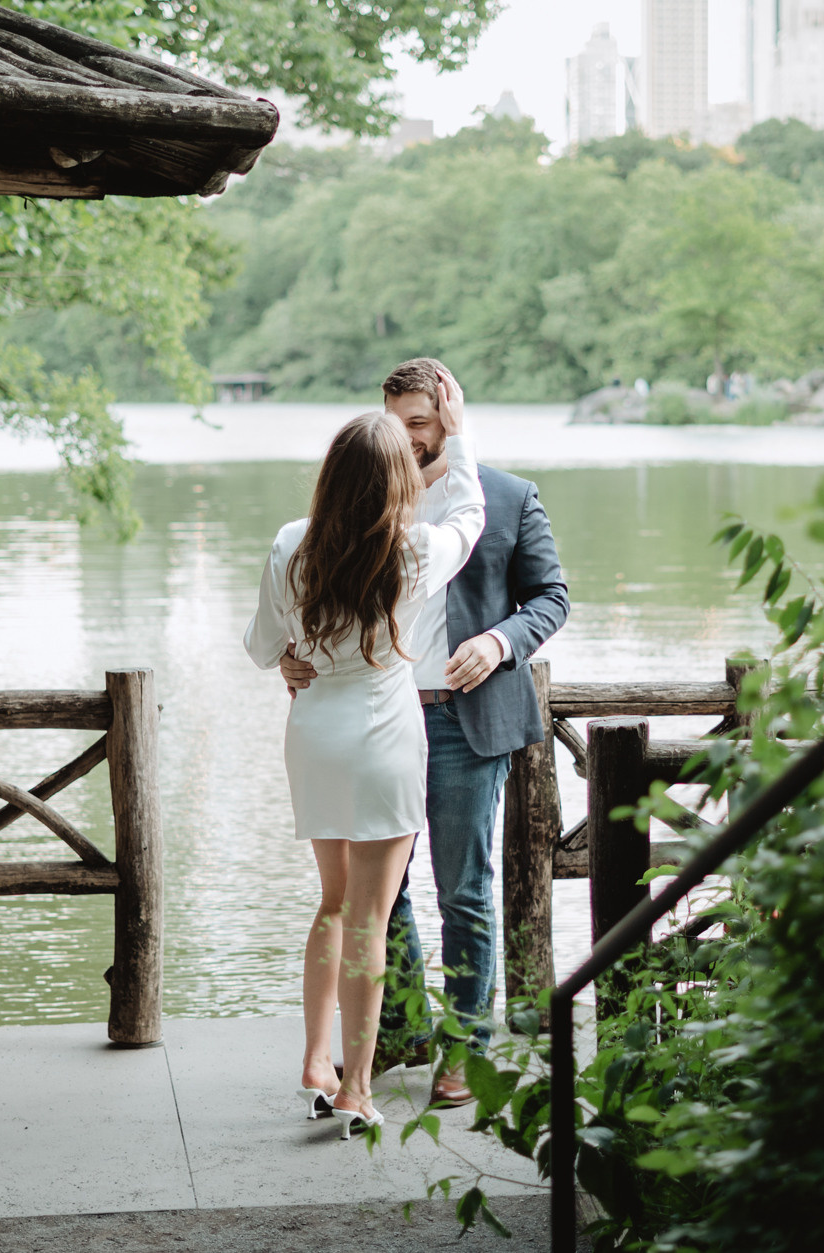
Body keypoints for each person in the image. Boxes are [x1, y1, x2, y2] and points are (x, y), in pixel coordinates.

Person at [281, 358, 569, 1107]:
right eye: (394, 424)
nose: (406, 439)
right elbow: (314, 596)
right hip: (381, 723)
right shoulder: (364, 502)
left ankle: (467, 1048)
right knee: (384, 895)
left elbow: (552, 597)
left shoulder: (507, 496)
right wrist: (294, 654)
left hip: (466, 721)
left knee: (465, 891)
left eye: (419, 423)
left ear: (449, 419)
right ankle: (399, 1026)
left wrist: (501, 640)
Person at [244, 368, 485, 1139]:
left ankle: (315, 1059)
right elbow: (471, 511)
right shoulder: (414, 550)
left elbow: (259, 649)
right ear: (393, 480)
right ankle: (354, 1086)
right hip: (384, 740)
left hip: (314, 735)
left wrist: (290, 654)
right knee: (371, 920)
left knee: (331, 904)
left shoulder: (291, 543)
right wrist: (459, 427)